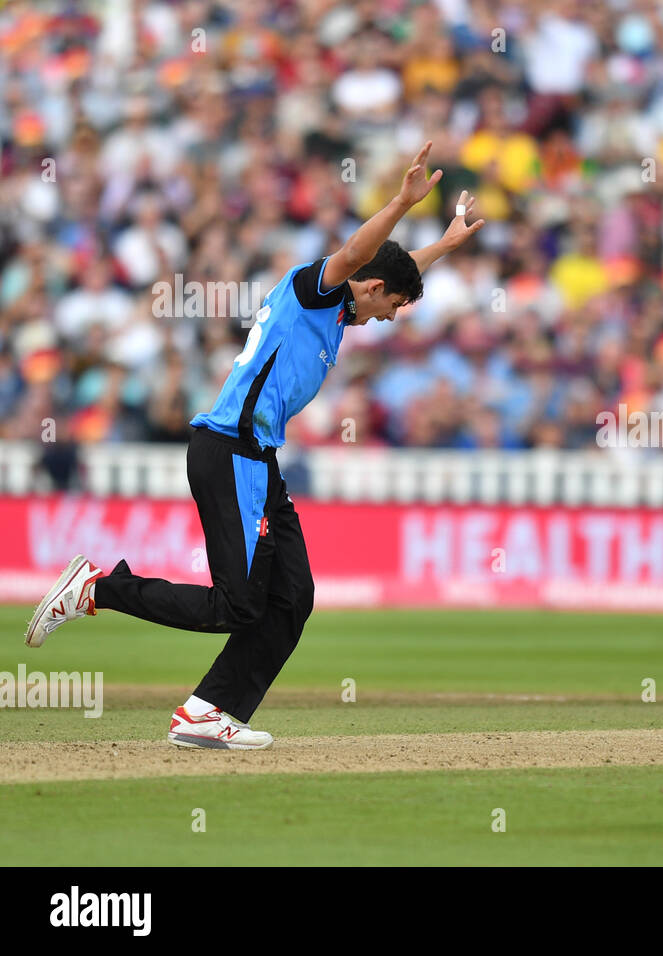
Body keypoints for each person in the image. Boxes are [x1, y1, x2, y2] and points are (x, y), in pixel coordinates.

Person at [23, 143, 485, 750]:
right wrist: (400, 202)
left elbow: (386, 272)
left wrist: (443, 248)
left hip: (257, 460)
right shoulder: (314, 290)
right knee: (235, 606)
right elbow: (357, 255)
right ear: (371, 288)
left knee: (293, 596)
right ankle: (97, 590)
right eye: (394, 305)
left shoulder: (342, 311)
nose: (393, 318)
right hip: (230, 450)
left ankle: (208, 714)